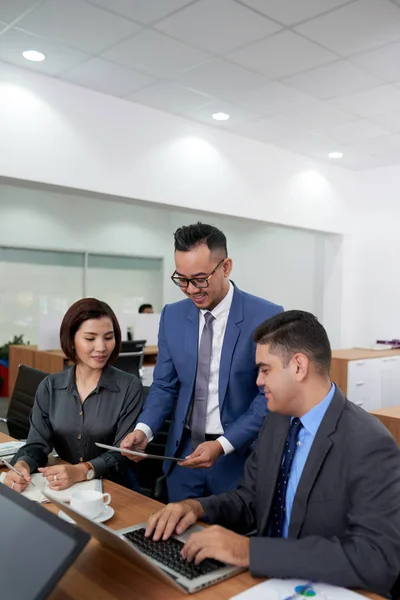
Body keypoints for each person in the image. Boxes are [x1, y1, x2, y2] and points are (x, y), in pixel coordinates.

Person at [144, 310, 400, 596]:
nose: (258, 381)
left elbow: (376, 559)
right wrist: (197, 508)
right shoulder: (277, 421)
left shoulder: (370, 443)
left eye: (265, 369)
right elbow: (252, 499)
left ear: (299, 366)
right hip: (266, 585)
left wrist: (251, 552)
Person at [121, 222, 283, 502]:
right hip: (182, 456)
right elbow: (164, 385)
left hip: (239, 457)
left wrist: (221, 445)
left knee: (228, 543)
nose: (190, 289)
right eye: (181, 279)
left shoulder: (266, 316)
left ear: (226, 267)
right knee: (176, 540)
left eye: (199, 279)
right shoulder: (172, 315)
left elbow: (268, 396)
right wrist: (144, 429)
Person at [4, 298, 143, 493]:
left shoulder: (129, 386)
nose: (101, 347)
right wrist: (22, 466)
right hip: (64, 486)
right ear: (71, 340)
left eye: (108, 337)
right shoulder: (50, 387)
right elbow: (37, 443)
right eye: (90, 338)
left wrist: (82, 471)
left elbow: (122, 453)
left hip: (116, 489)